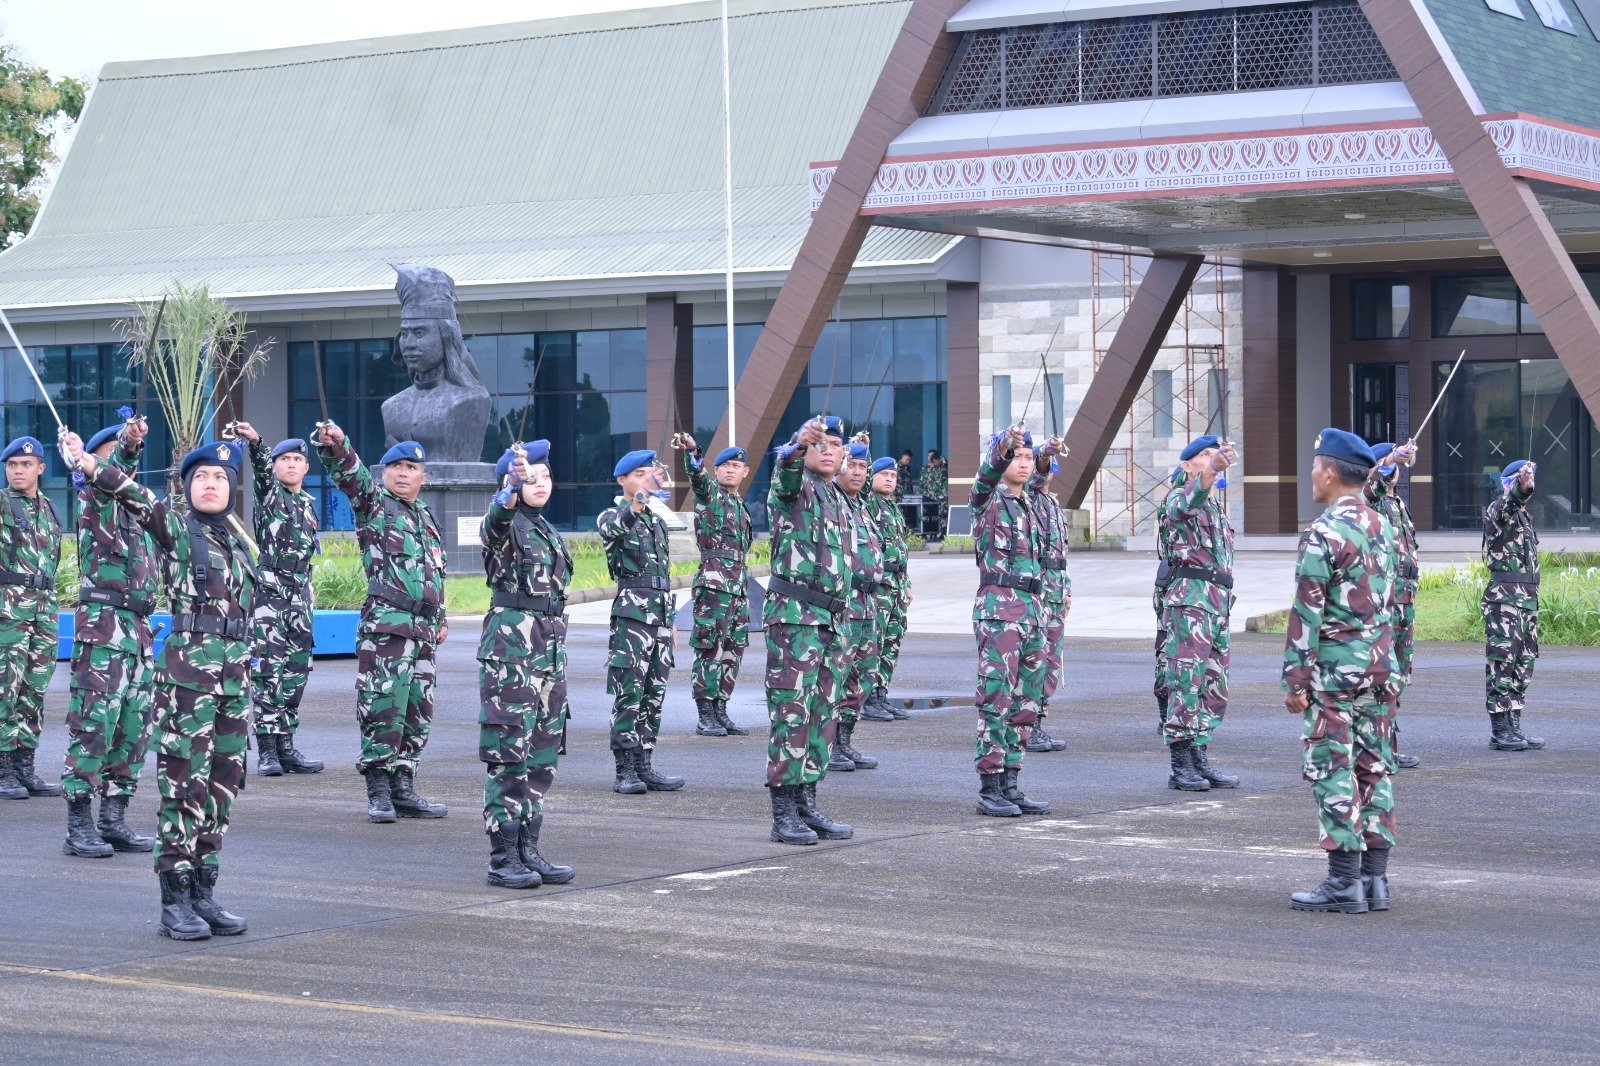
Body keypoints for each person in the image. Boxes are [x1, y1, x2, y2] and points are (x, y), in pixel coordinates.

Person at [67, 432, 257, 939]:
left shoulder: (238, 540)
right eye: (201, 477)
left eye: (220, 477)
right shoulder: (178, 527)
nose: (211, 484)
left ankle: (204, 892)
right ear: (187, 487)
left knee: (223, 786)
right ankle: (174, 900)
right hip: (189, 678)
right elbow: (134, 495)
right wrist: (89, 464)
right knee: (184, 784)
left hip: (236, 678)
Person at [1283, 428, 1399, 914]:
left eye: (1315, 467)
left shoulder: (1323, 532)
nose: (1311, 474)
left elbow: (1307, 611)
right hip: (1379, 666)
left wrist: (1295, 678)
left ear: (1329, 473)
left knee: (1333, 765)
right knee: (1374, 766)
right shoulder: (1382, 524)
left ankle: (1343, 881)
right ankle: (1375, 881)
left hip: (1334, 670)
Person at [315, 423, 448, 823]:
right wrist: (340, 444)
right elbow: (351, 477)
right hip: (388, 626)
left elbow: (435, 572)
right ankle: (378, 790)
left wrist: (440, 616)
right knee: (382, 706)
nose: (404, 473)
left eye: (411, 467)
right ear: (383, 473)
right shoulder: (375, 506)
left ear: (424, 476)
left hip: (423, 630)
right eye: (396, 467)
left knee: (417, 711)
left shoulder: (426, 517)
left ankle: (403, 787)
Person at [478, 440, 575, 889]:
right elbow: (496, 519)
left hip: (550, 652)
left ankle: (529, 849)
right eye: (529, 476)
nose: (541, 484)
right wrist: (508, 492)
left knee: (542, 755)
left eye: (546, 476)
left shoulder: (548, 530)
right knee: (508, 753)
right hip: (512, 654)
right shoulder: (505, 523)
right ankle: (503, 857)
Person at [60, 418, 158, 856]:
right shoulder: (94, 499)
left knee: (133, 730)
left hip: (137, 630)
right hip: (102, 627)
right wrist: (128, 445)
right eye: (110, 461)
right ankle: (78, 825)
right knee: (93, 726)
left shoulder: (136, 515)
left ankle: (113, 819)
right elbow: (111, 471)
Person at [764, 415, 854, 845]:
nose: (829, 450)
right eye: (822, 444)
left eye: (836, 444)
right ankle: (784, 810)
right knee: (791, 714)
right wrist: (798, 445)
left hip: (832, 621)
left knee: (822, 718)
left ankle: (807, 804)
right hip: (795, 618)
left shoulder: (838, 498)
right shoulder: (793, 489)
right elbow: (785, 473)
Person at [969, 425, 1050, 818]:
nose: (1023, 463)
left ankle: (1011, 782)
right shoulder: (986, 499)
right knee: (996, 698)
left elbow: (1045, 472)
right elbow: (985, 476)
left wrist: (1046, 453)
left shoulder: (1031, 504)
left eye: (1027, 457)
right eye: (1016, 456)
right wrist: (1004, 445)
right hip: (999, 609)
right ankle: (989, 786)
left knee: (1026, 702)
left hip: (1032, 610)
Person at [233, 424, 323, 777]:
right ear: (274, 466)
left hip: (300, 590)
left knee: (297, 670)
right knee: (268, 669)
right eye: (283, 459)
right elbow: (259, 468)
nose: (289, 464)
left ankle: (287, 745)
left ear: (305, 468)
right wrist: (257, 443)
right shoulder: (270, 494)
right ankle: (267, 749)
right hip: (272, 592)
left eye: (297, 459)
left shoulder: (307, 504)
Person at [599, 450, 684, 794]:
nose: (647, 479)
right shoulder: (613, 514)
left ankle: (645, 763)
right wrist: (636, 502)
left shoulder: (656, 521)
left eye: (650, 473)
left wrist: (671, 620)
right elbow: (615, 530)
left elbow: (662, 574)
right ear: (622, 480)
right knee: (629, 693)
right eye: (639, 474)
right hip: (632, 616)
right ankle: (624, 769)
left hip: (659, 615)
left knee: (654, 694)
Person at [1159, 434, 1240, 792]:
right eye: (1204, 457)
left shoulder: (1215, 509)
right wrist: (1209, 475)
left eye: (1215, 455)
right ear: (1187, 465)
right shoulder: (1179, 497)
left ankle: (1200, 757)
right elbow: (1188, 504)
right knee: (1185, 682)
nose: (1212, 460)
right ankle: (1181, 764)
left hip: (1217, 602)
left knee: (1213, 685)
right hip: (1189, 601)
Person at [672, 433, 752, 739]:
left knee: (733, 649)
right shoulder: (710, 495)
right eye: (725, 466)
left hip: (739, 587)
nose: (730, 470)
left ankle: (721, 709)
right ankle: (705, 714)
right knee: (709, 648)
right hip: (714, 584)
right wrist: (693, 454)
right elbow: (696, 476)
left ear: (745, 472)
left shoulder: (740, 506)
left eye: (736, 466)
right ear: (716, 471)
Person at [0, 435, 64, 802]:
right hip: (9, 609)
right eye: (12, 465)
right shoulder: (2, 503)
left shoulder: (50, 509)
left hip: (44, 608)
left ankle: (25, 766)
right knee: (6, 686)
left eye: (25, 465)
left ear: (40, 467)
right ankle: (4, 766)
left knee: (34, 689)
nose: (18, 470)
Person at [828, 438, 883, 770]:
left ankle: (845, 741)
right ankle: (829, 744)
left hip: (866, 602)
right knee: (837, 673)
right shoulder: (830, 500)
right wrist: (845, 449)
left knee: (861, 676)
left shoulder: (860, 506)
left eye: (864, 467)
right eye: (853, 465)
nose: (859, 472)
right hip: (844, 602)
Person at [1366, 443, 1422, 769]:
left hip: (1405, 600)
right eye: (1388, 464)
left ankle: (1389, 743)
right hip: (1386, 601)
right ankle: (1378, 747)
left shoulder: (1398, 503)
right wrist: (1388, 460)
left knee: (1398, 676)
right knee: (1383, 674)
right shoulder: (1370, 500)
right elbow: (1372, 484)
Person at [1483, 459, 1544, 752]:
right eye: (1521, 481)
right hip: (1505, 599)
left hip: (1527, 599)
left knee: (1524, 662)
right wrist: (1520, 489)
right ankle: (1499, 729)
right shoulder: (1498, 510)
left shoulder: (1524, 519)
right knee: (1502, 662)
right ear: (1509, 484)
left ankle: (1514, 724)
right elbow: (1510, 503)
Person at [1024, 437, 1071, 755]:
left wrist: (1066, 590)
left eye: (1054, 467)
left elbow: (1060, 556)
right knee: (1034, 661)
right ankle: (1026, 726)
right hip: (1036, 594)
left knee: (1051, 663)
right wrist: (1044, 455)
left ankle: (1038, 721)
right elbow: (1037, 474)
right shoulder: (1027, 498)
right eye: (1046, 466)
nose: (1049, 473)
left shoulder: (1052, 505)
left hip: (1054, 594)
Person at [865, 455, 911, 720]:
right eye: (884, 475)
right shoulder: (869, 504)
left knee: (891, 641)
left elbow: (901, 551)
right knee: (874, 641)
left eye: (893, 476)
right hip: (879, 586)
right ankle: (867, 697)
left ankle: (881, 694)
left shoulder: (892, 509)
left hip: (896, 585)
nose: (889, 480)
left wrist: (907, 584)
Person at [1151, 466, 1181, 738]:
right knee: (1167, 651)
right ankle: (1165, 710)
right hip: (1173, 585)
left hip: (1175, 583)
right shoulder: (1175, 502)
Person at [919, 449, 948, 541]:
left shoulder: (943, 467)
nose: (933, 461)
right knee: (928, 514)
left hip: (942, 496)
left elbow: (945, 462)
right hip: (929, 496)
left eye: (935, 458)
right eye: (931, 458)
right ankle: (928, 533)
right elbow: (922, 482)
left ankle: (943, 533)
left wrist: (939, 456)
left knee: (943, 514)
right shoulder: (926, 468)